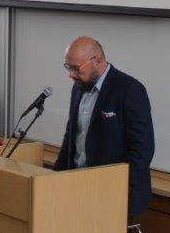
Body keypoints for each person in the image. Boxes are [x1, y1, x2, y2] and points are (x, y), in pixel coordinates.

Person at [54, 36, 155, 220]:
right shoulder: (78, 88)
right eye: (68, 67)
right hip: (76, 186)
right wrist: (53, 180)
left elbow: (142, 150)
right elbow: (71, 136)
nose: (71, 75)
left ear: (97, 60)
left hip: (112, 193)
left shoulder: (129, 89)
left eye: (76, 68)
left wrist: (122, 195)